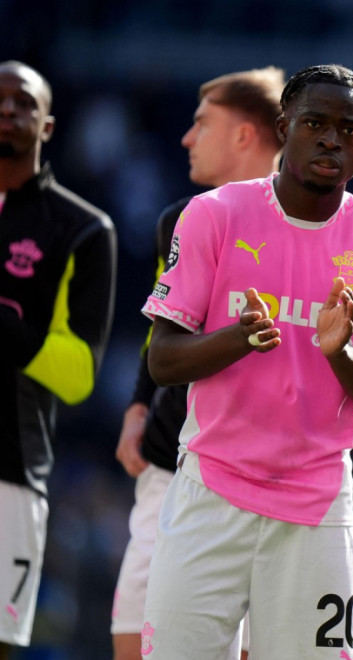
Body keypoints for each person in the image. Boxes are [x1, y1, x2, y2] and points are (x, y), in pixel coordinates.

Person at [139, 63, 353, 659]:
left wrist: (341, 353)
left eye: (349, 129)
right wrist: (238, 338)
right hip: (209, 493)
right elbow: (162, 360)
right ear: (284, 125)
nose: (331, 139)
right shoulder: (213, 213)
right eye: (315, 123)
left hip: (317, 507)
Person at [110, 66, 285, 660]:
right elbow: (162, 327)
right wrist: (138, 406)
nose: (187, 137)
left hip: (263, 478)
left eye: (202, 123)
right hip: (169, 463)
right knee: (134, 644)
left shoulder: (309, 226)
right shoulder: (177, 219)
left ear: (244, 135)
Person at [0, 61, 117, 659]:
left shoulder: (83, 230)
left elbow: (77, 378)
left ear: (48, 125)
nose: (8, 109)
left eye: (24, 101)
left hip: (12, 471)